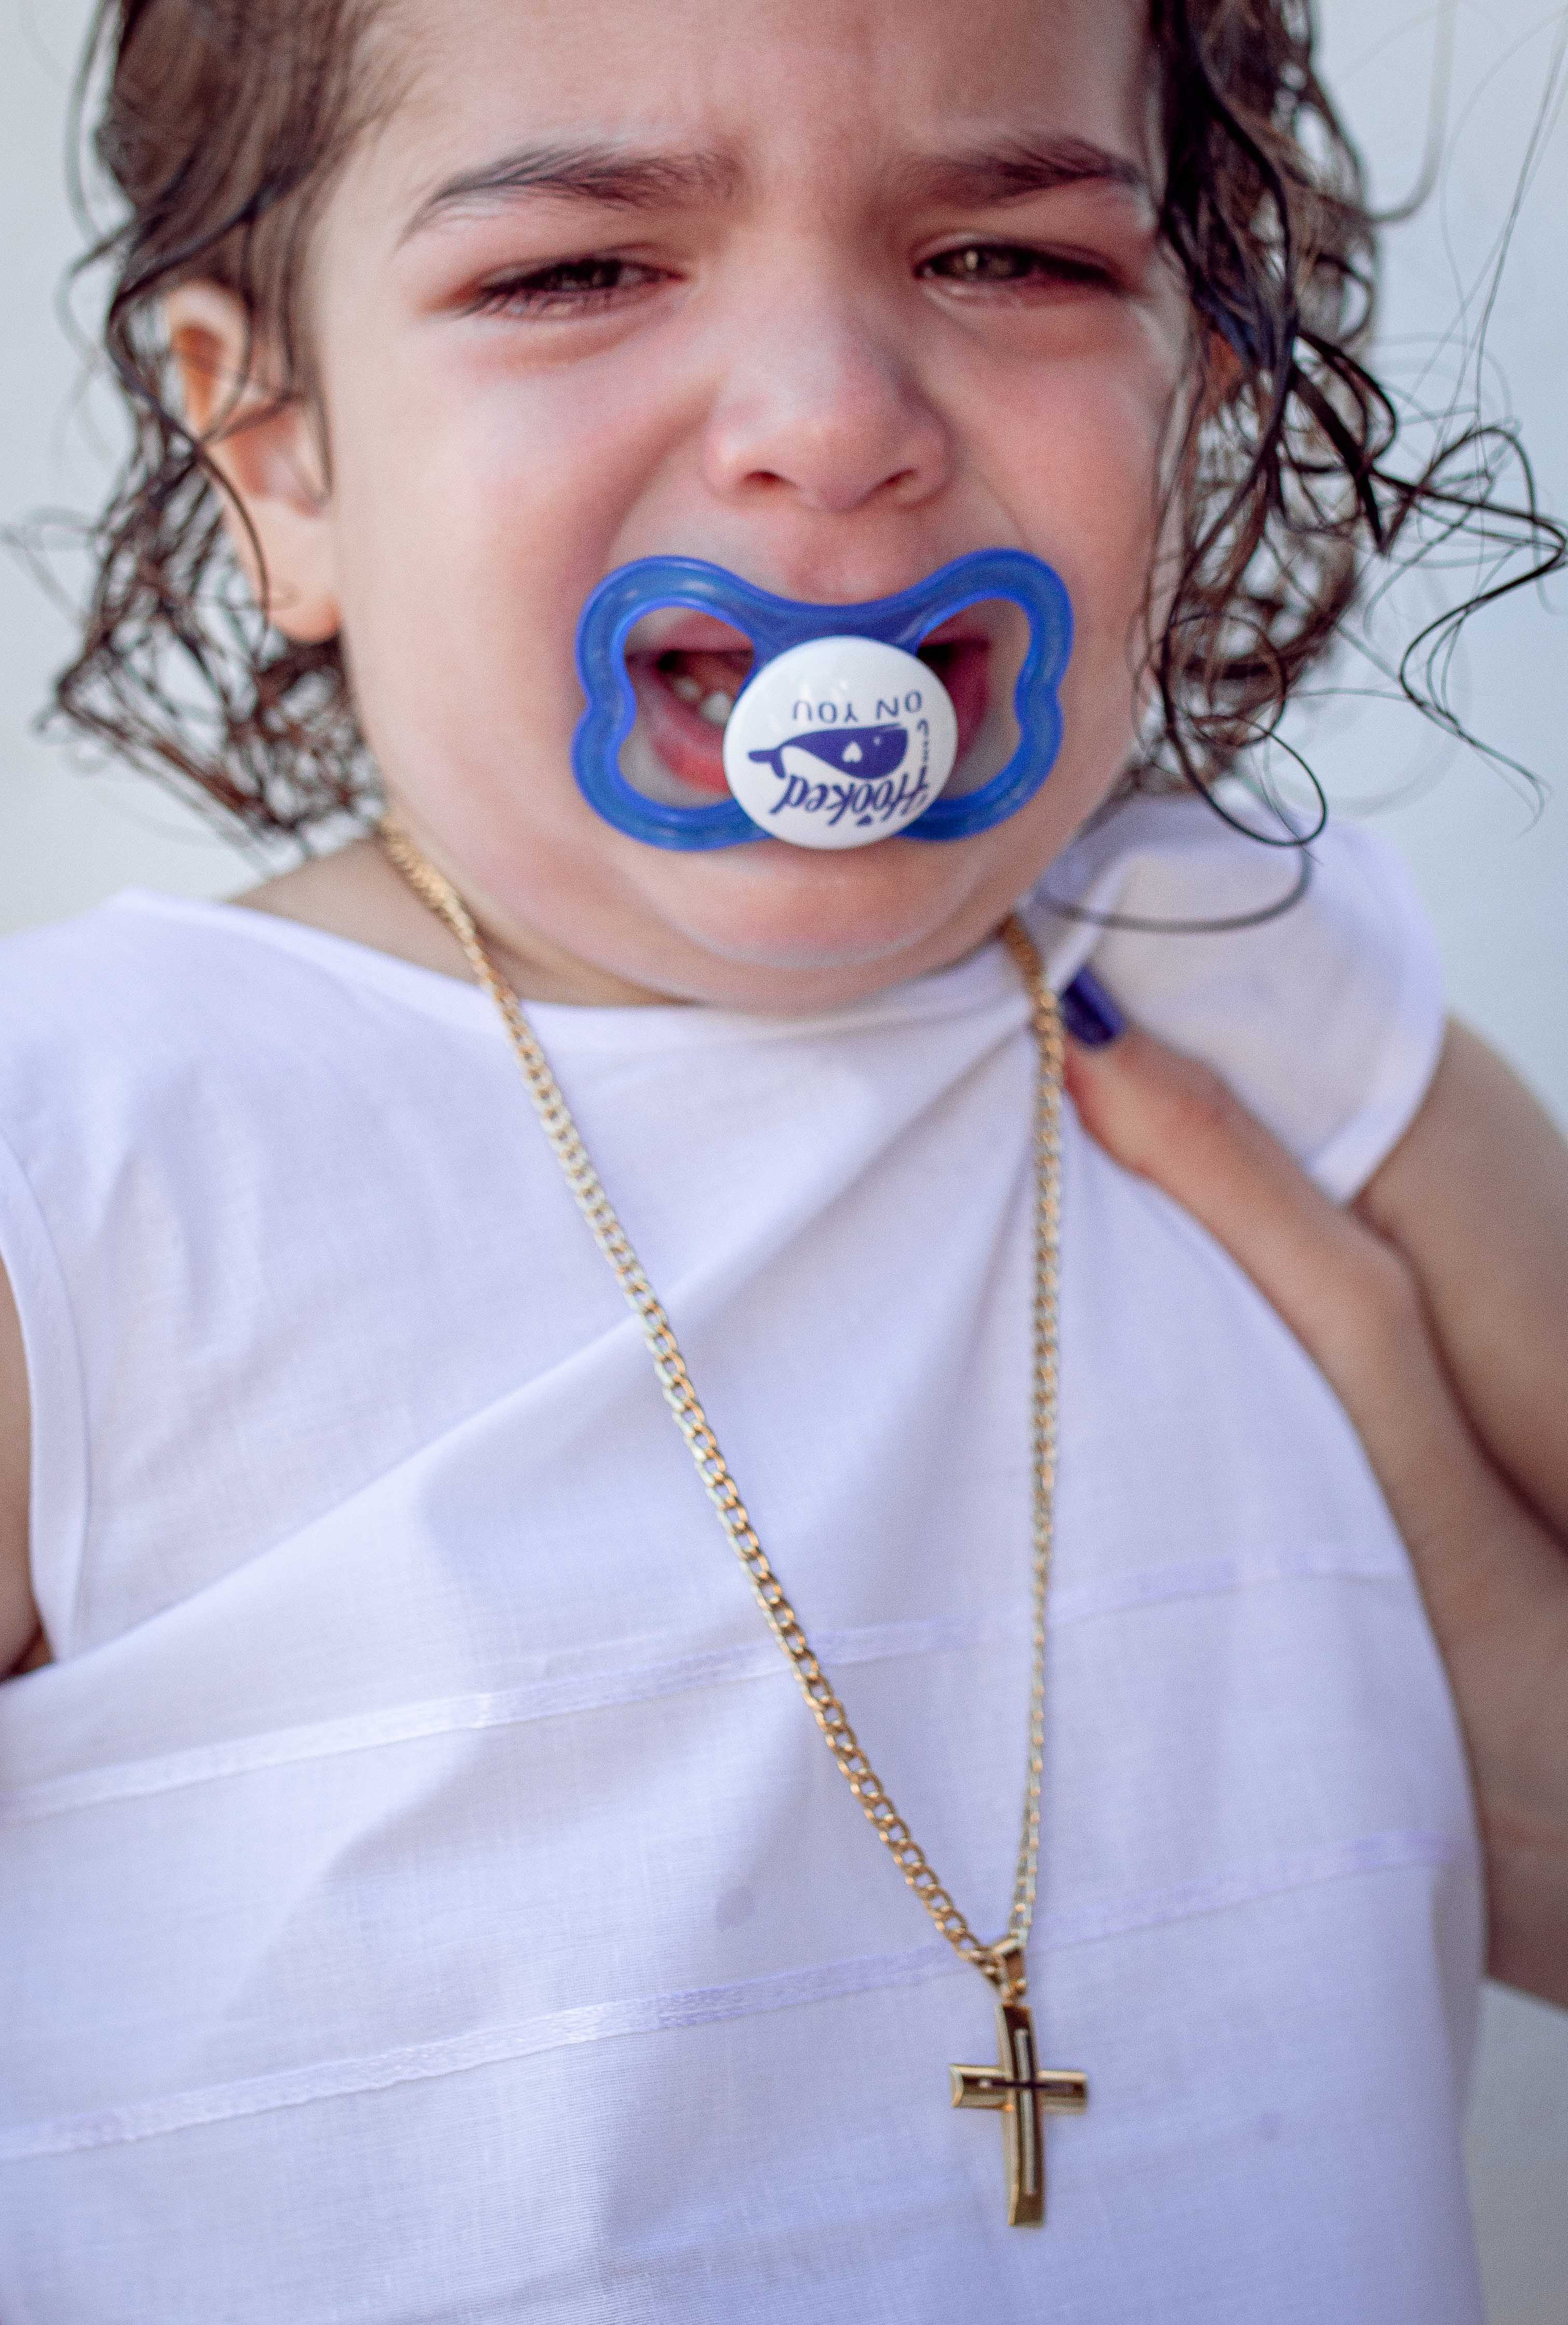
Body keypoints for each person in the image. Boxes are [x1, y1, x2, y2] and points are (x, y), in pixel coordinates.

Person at [0, 0, 1564, 2317]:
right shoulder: (90, 1150)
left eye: (1017, 257)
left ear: (1202, 372)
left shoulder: (1257, 986)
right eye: (575, 272)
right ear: (282, 450)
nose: (836, 425)